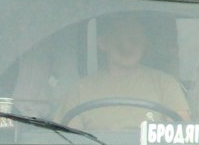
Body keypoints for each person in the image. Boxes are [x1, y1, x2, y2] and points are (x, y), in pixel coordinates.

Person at [56, 14, 191, 132]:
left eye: (134, 39)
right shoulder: (80, 89)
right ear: (103, 43)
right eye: (120, 38)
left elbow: (181, 134)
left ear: (144, 43)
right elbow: (68, 141)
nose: (127, 46)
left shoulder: (165, 84)